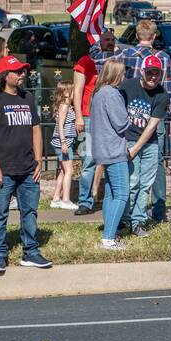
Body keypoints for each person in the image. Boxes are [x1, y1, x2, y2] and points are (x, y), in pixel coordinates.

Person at [0, 56, 52, 273]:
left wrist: (39, 161)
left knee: (29, 211)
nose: (23, 75)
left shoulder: (27, 97)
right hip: (3, 170)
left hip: (28, 169)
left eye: (24, 71)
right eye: (18, 71)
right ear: (5, 75)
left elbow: (36, 130)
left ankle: (31, 252)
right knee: (0, 213)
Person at [118, 20, 171, 222]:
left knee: (132, 162)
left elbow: (109, 69)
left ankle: (130, 212)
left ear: (136, 35)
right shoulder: (163, 57)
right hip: (154, 113)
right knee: (156, 162)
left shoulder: (125, 54)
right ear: (154, 36)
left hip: (130, 114)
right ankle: (157, 209)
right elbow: (168, 87)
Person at [70, 29, 120, 216]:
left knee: (114, 159)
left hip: (110, 117)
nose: (109, 42)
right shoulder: (85, 62)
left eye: (112, 40)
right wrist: (79, 116)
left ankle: (111, 198)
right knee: (88, 159)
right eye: (106, 39)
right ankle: (85, 201)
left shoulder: (116, 62)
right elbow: (78, 90)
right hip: (89, 116)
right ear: (98, 42)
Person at [119, 56, 168, 237]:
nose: (153, 76)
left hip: (148, 144)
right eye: (149, 72)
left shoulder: (162, 94)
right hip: (128, 139)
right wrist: (123, 142)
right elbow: (118, 112)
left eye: (156, 73)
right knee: (131, 183)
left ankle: (138, 221)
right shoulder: (127, 86)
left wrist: (135, 149)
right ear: (142, 72)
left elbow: (151, 126)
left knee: (145, 184)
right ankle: (124, 220)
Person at [89, 59, 133, 250]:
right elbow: (121, 123)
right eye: (122, 73)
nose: (124, 76)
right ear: (116, 74)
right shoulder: (112, 94)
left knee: (111, 193)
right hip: (114, 149)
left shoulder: (98, 93)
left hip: (102, 148)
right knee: (122, 193)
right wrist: (131, 116)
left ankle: (110, 231)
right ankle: (108, 238)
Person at [49, 82, 78, 210]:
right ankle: (66, 199)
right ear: (65, 93)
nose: (74, 93)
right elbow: (60, 126)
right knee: (69, 170)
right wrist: (63, 142)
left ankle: (56, 198)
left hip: (66, 141)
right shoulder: (64, 106)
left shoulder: (68, 107)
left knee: (63, 170)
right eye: (72, 91)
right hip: (63, 142)